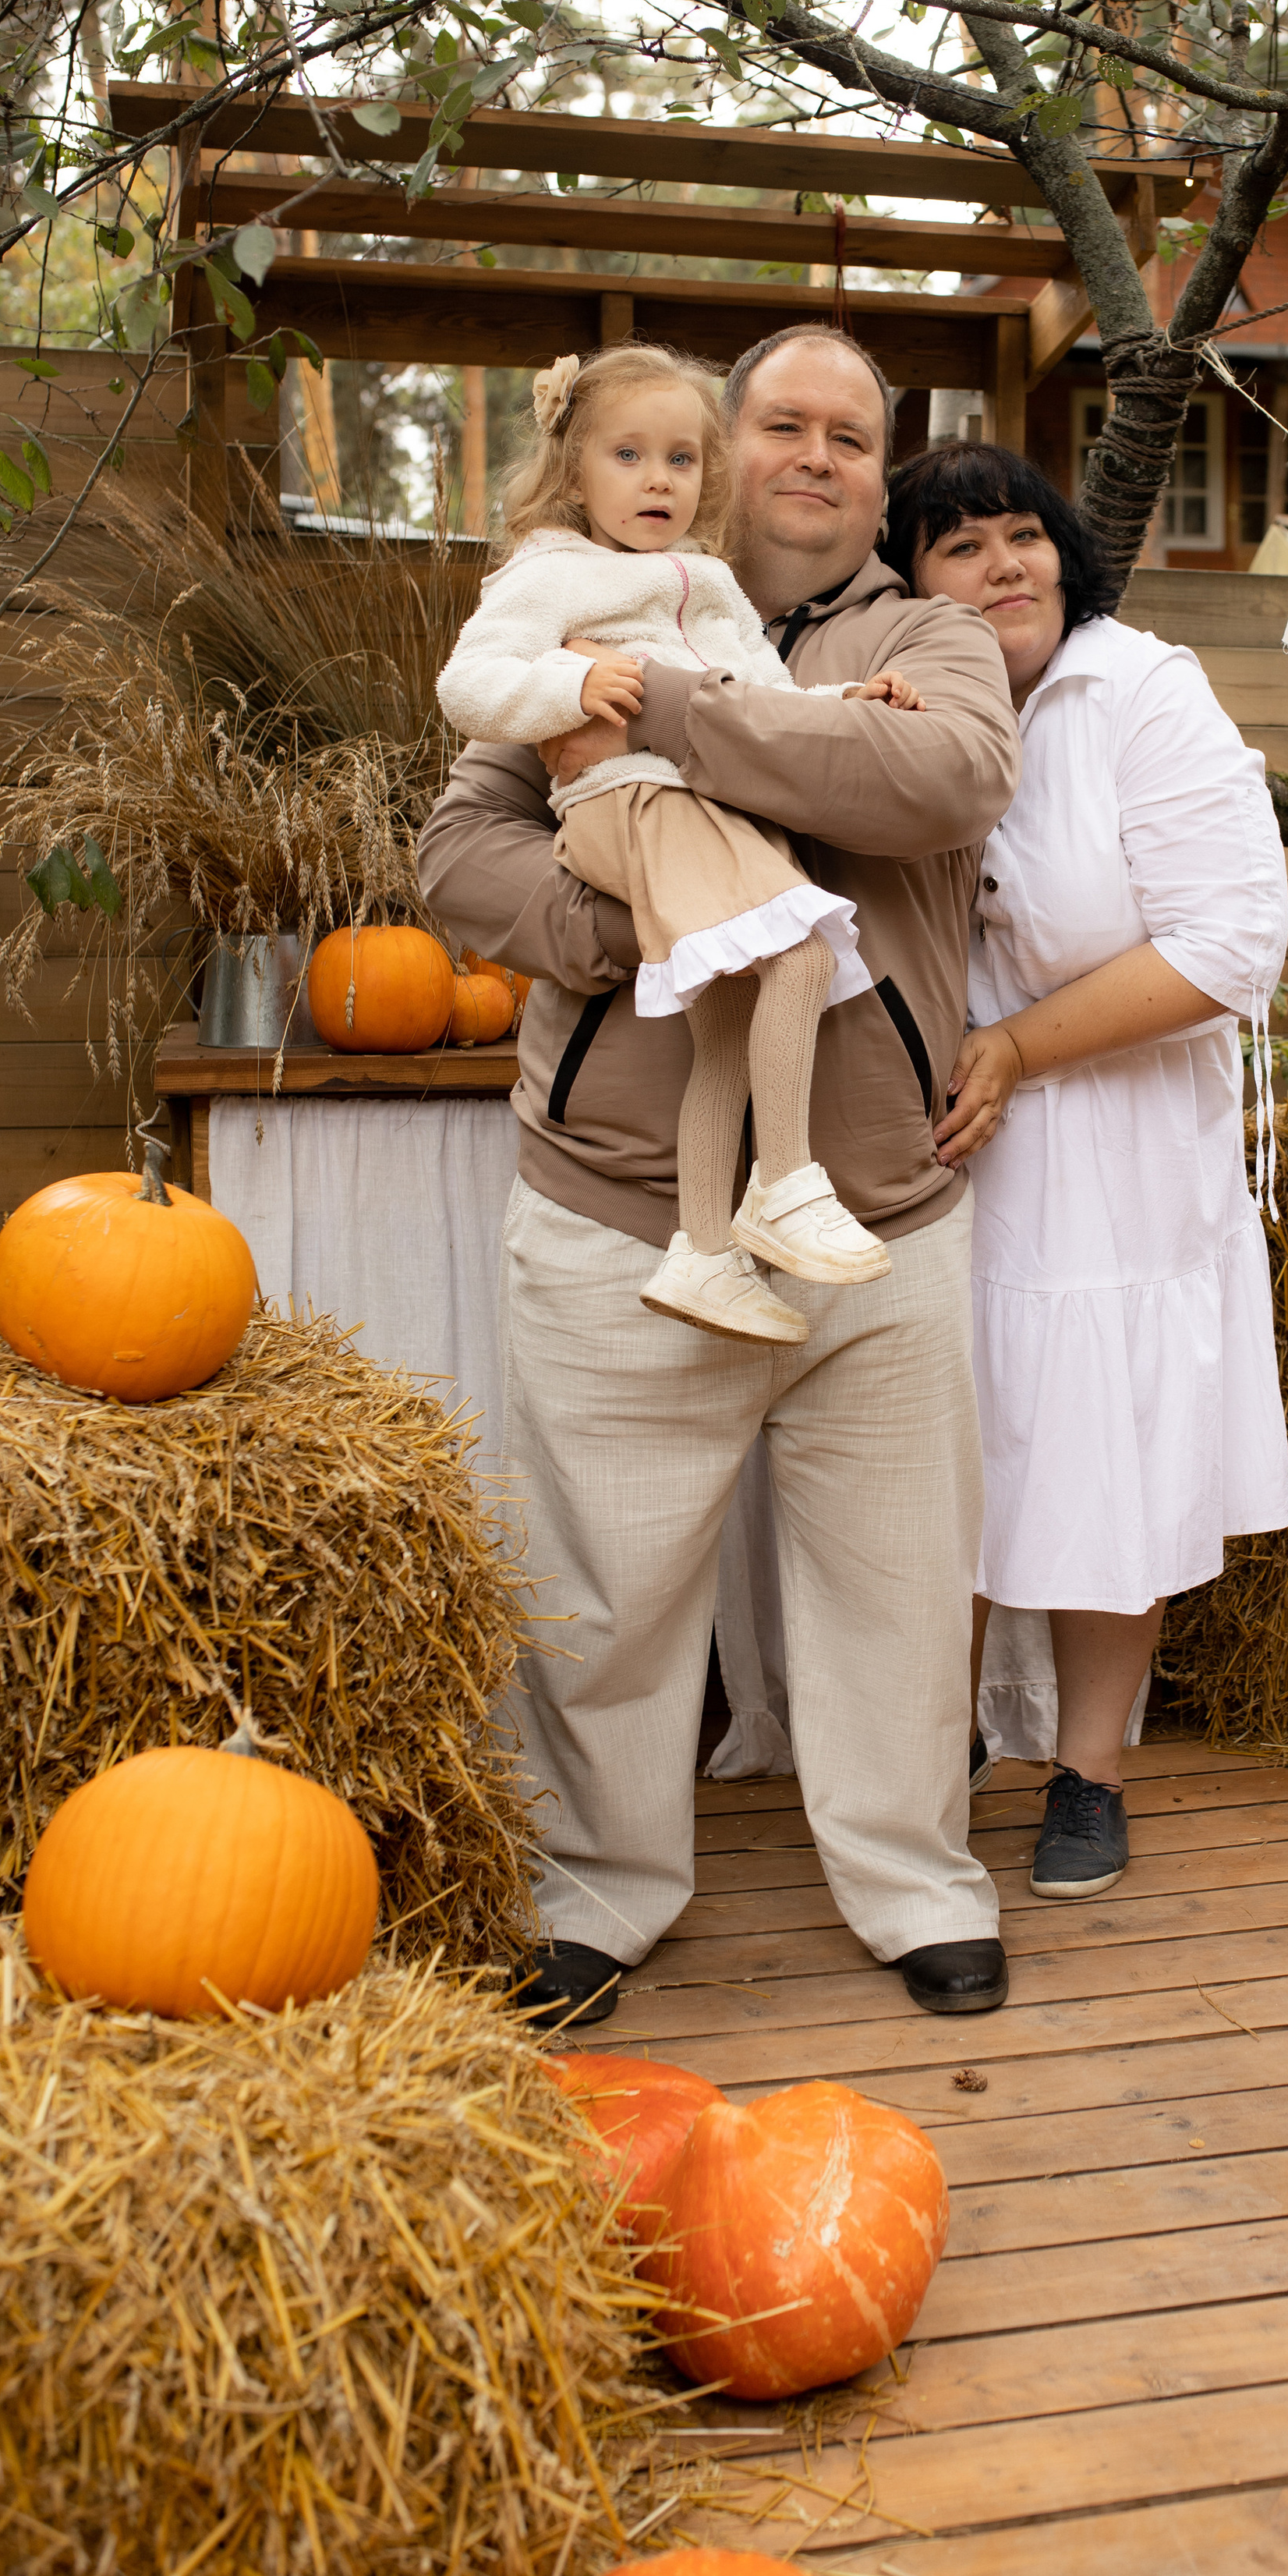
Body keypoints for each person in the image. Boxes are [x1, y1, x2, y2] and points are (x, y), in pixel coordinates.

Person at [416, 325, 1021, 2027]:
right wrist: (646, 933)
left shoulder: (927, 633)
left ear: (876, 474)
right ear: (706, 441)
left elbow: (933, 782)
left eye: (852, 433)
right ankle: (596, 1890)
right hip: (616, 1197)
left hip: (879, 1214)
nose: (814, 454)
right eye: (781, 422)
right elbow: (462, 847)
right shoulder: (578, 600)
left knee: (898, 1590)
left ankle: (912, 1883)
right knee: (599, 1591)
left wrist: (677, 710)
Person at [882, 440, 1288, 1902]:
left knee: (1102, 1464)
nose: (1003, 567)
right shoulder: (901, 701)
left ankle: (1090, 1774)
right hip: (934, 1154)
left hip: (1109, 1148)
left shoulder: (1140, 693)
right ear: (908, 584)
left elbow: (1229, 945)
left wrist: (1013, 1052)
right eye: (958, 549)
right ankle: (915, 1772)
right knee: (945, 1468)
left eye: (1020, 537)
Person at [435, 341, 922, 1345]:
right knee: (793, 954)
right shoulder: (551, 571)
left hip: (693, 808)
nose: (659, 480)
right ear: (574, 472)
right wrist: (569, 689)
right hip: (630, 807)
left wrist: (845, 700)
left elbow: (762, 702)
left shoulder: (704, 578)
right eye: (627, 456)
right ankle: (784, 1183)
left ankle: (703, 1251)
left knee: (727, 1032)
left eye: (681, 460)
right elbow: (466, 686)